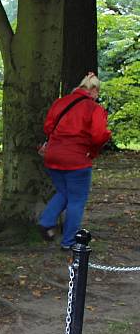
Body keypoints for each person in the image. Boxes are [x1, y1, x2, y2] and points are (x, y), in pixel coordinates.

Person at [38, 72, 111, 250]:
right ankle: (69, 241)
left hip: (53, 156)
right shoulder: (94, 109)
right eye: (98, 92)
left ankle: (46, 221)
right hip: (77, 159)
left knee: (64, 193)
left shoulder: (61, 102)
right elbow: (99, 135)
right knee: (77, 200)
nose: (97, 96)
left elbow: (48, 127)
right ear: (93, 89)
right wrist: (92, 151)